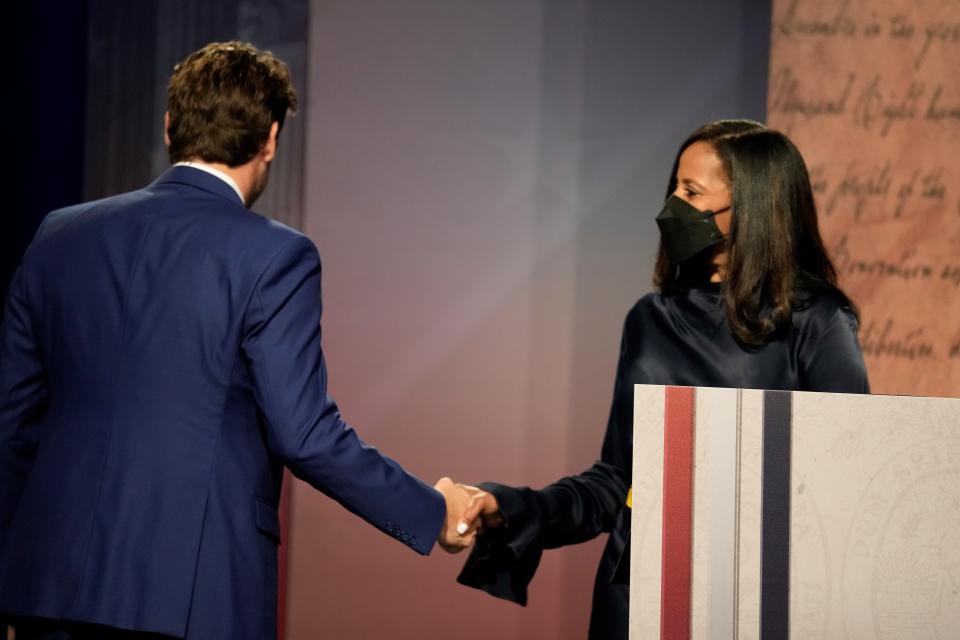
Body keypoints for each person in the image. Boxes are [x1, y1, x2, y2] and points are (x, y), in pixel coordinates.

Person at [0, 41, 484, 640]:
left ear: (171, 125)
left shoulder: (57, 235)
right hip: (190, 597)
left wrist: (13, 584)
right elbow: (303, 434)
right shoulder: (276, 256)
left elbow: (13, 428)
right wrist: (433, 510)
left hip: (47, 592)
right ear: (271, 139)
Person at [454, 120, 871, 639]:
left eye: (691, 191)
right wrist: (512, 507)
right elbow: (615, 483)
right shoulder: (649, 318)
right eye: (675, 186)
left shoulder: (816, 322)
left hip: (753, 605)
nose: (670, 205)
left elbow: (848, 493)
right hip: (635, 598)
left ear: (753, 209)